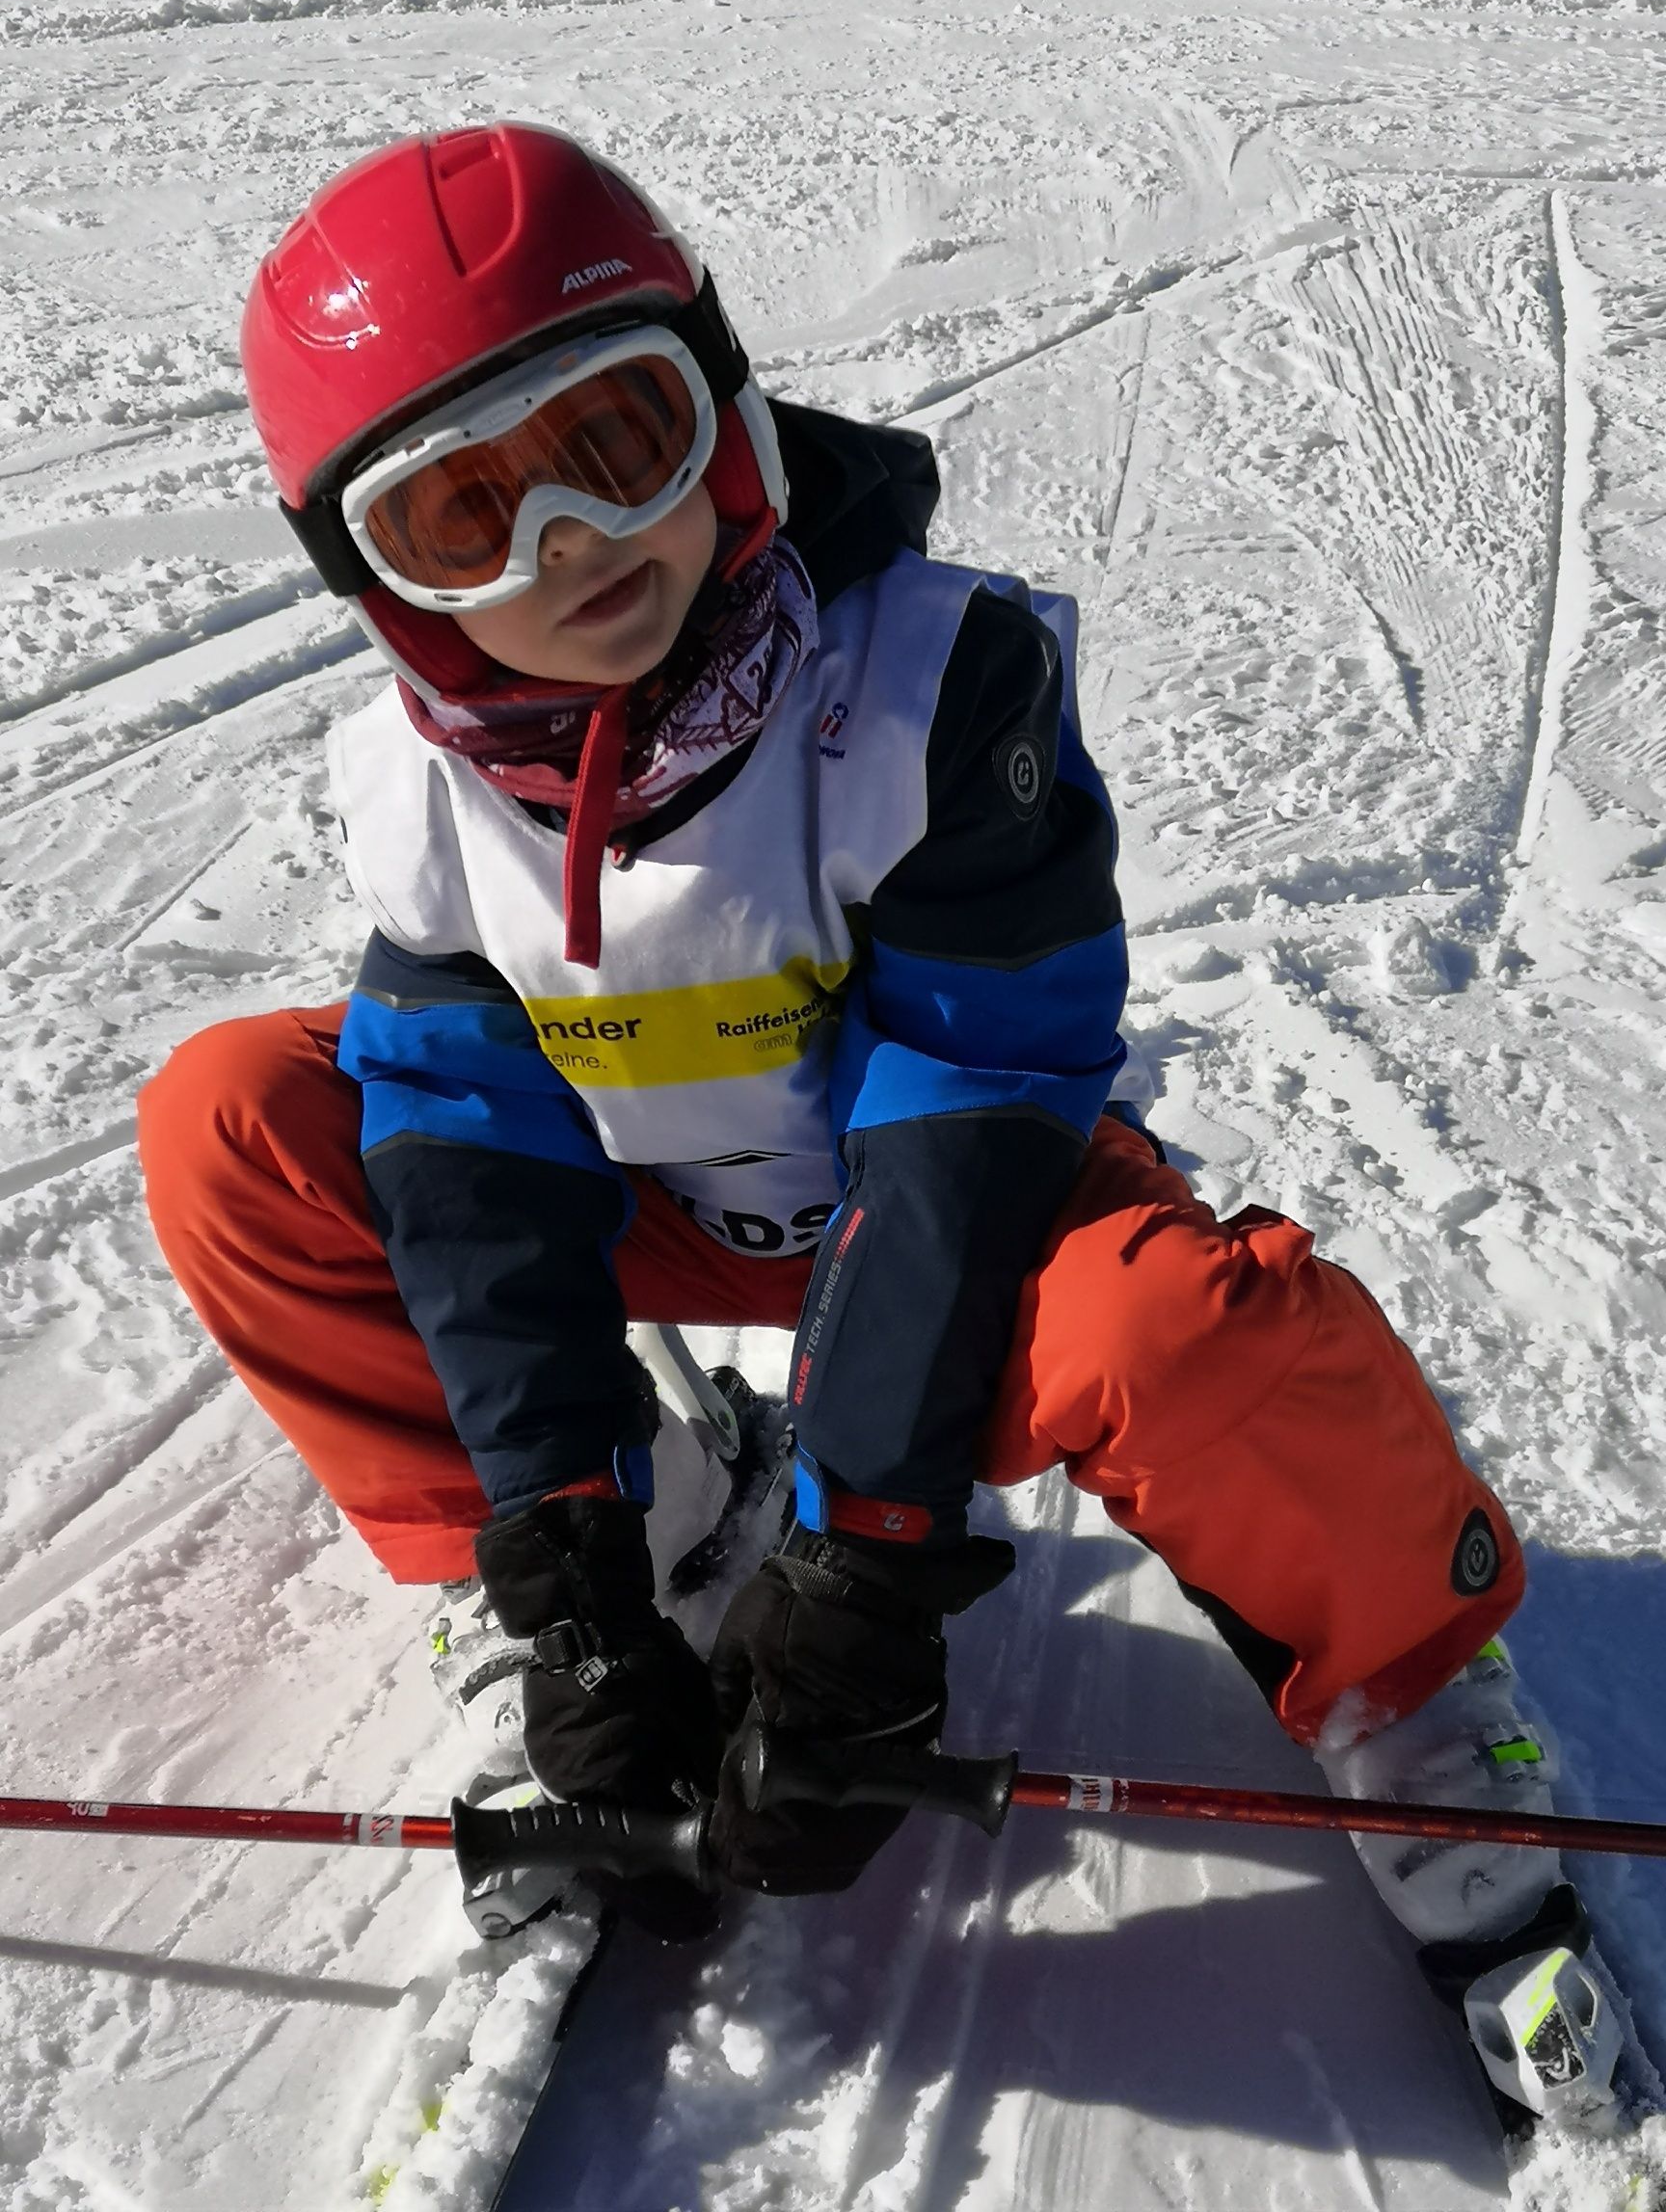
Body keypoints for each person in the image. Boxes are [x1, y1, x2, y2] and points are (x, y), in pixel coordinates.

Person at [137, 122, 1589, 2067]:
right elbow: (472, 1169)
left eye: (620, 438)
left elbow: (970, 1105)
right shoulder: (417, 791)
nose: (569, 541)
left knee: (1185, 1331)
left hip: (950, 1208)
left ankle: (1408, 1687)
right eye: (463, 516)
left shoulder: (927, 684)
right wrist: (573, 1566)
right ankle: (624, 1531)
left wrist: (861, 1560)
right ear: (378, 583)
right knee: (238, 1124)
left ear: (723, 408)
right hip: (653, 1202)